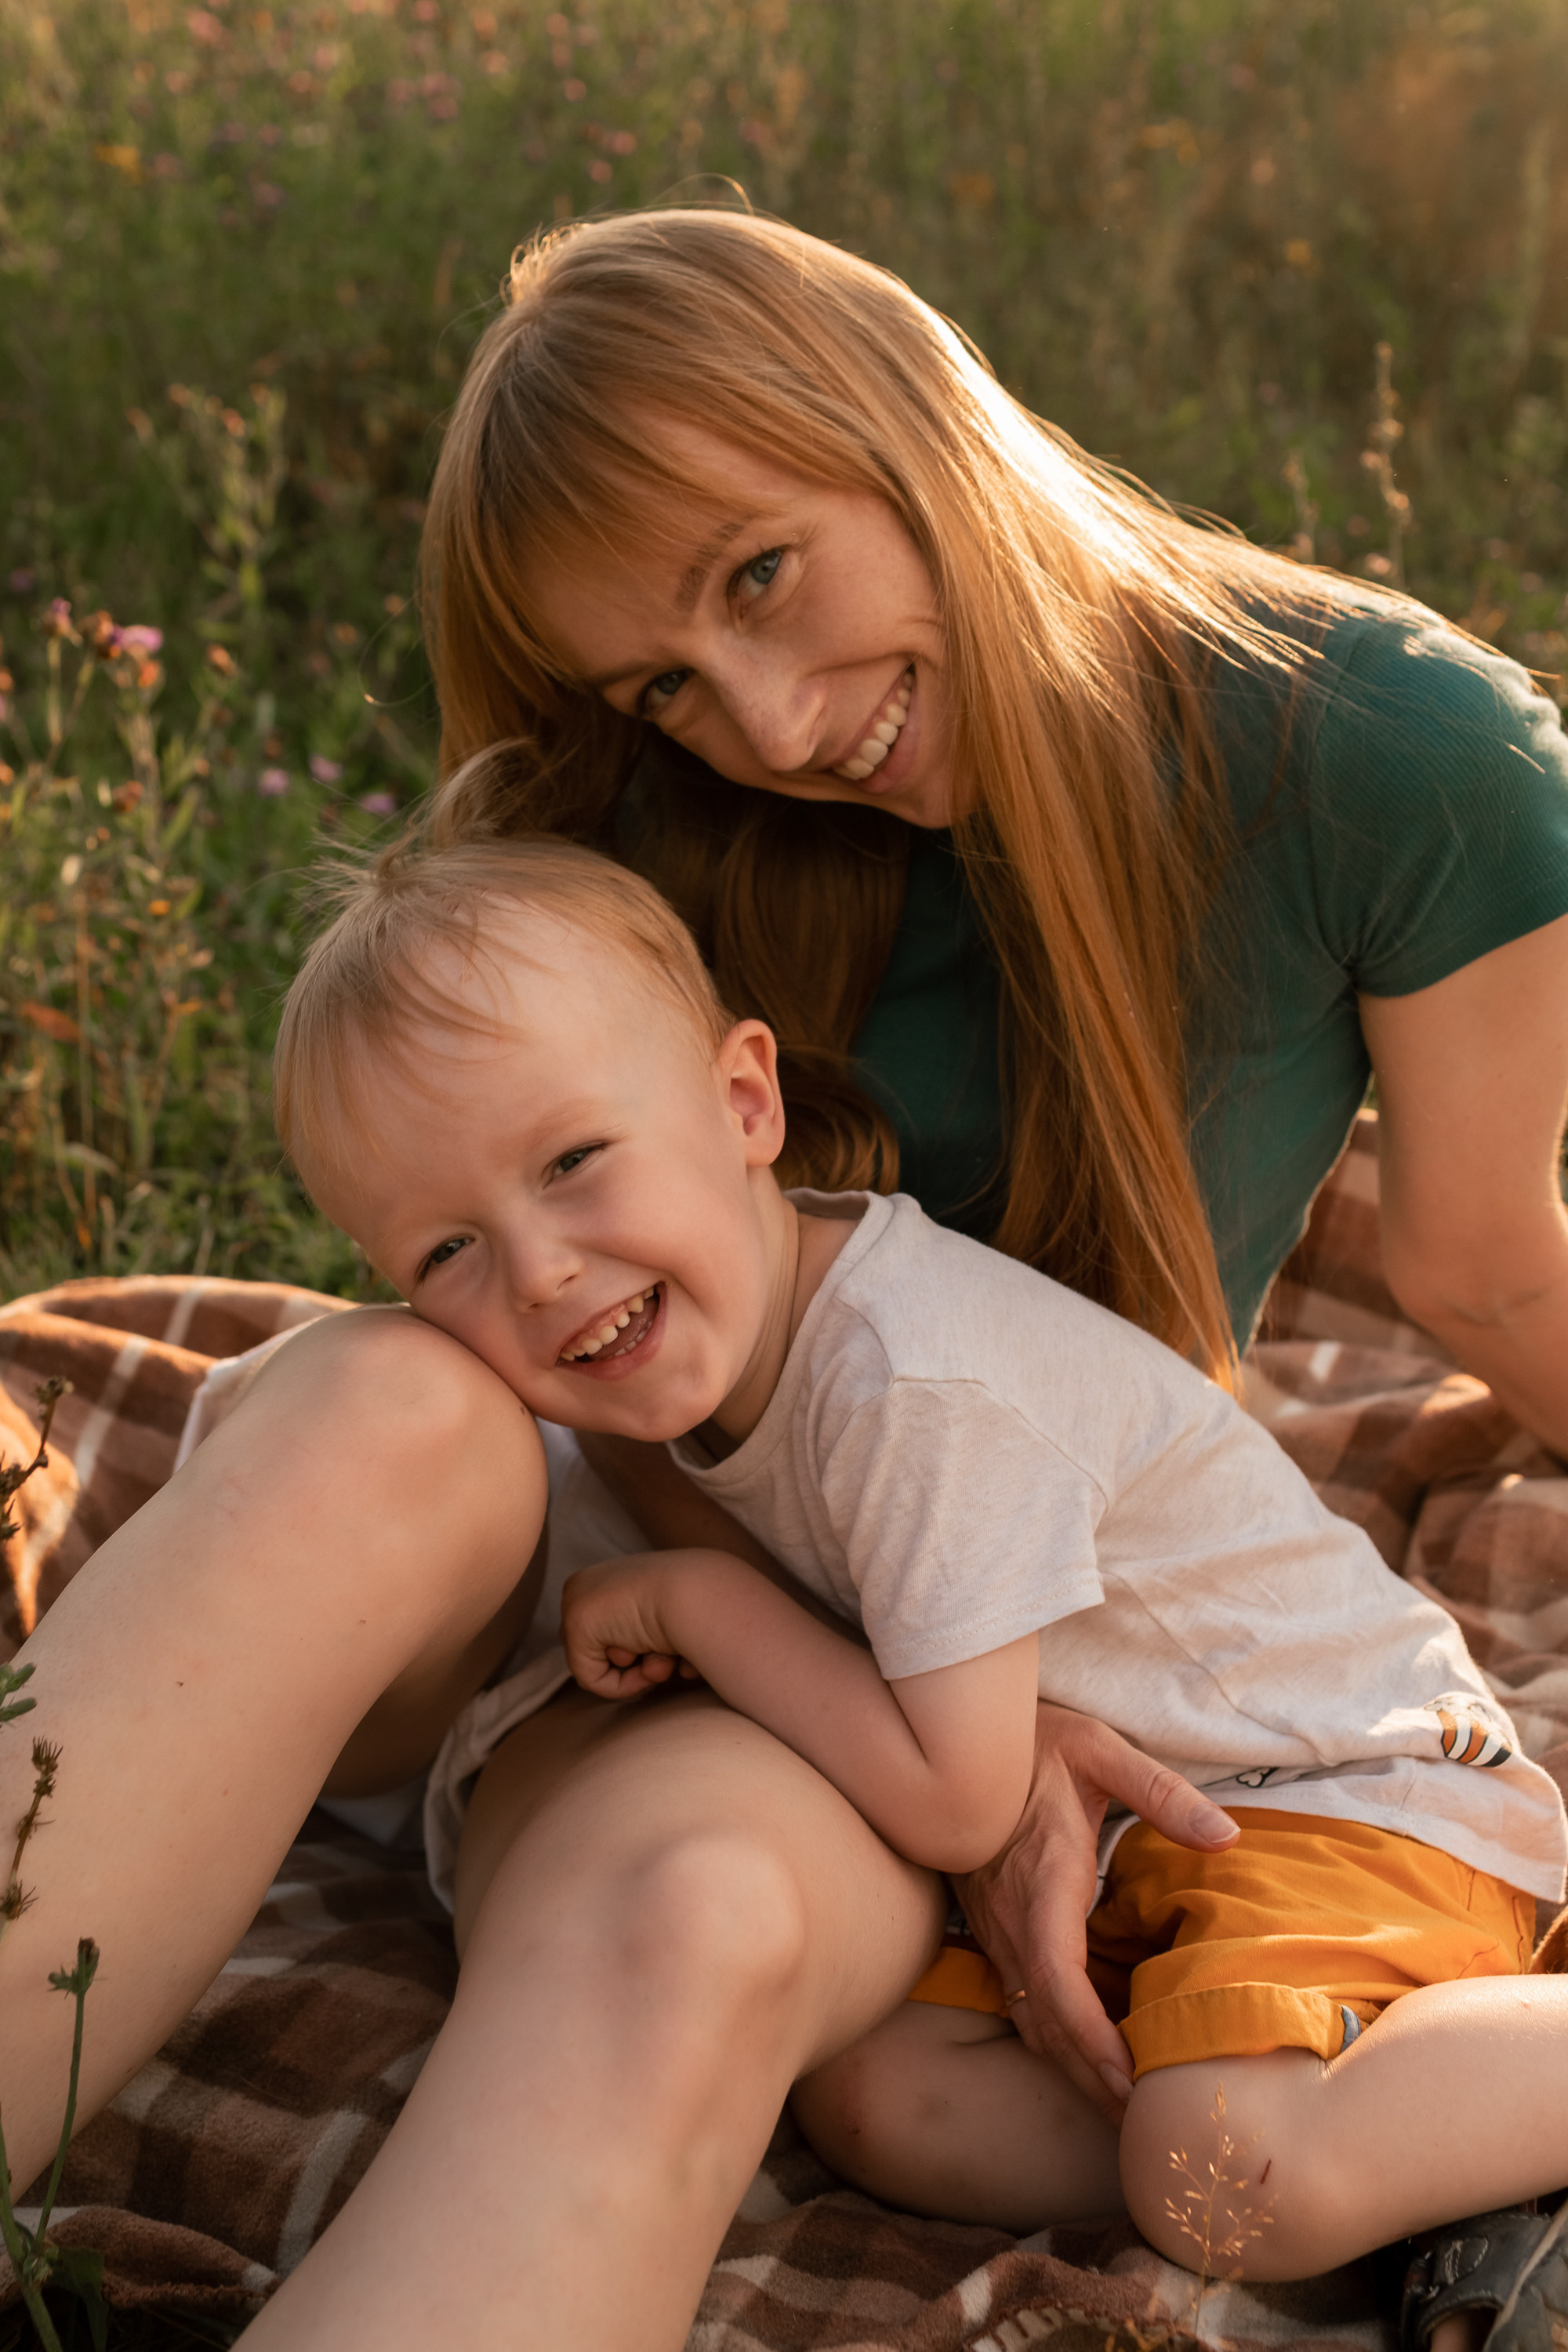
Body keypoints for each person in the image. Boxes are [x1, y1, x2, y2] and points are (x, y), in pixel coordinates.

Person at [0, 201, 1563, 2350]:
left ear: (909, 423)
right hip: (594, 1553)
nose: (759, 717)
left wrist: (1000, 1739)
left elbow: (1487, 1272)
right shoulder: (631, 806)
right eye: (661, 674)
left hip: (887, 1659)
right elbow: (511, 1258)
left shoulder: (1377, 756)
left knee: (703, 1910)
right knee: (373, 1405)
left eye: (762, 576)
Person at [267, 830, 1568, 2313]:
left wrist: (701, 1608)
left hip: (1320, 1784)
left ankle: (1404, 2114)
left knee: (1224, 2174)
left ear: (744, 1101)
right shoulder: (679, 1375)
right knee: (885, 2102)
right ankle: (1439, 2151)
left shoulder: (907, 1384)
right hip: (1138, 1853)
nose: (542, 1270)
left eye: (573, 1162)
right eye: (446, 1252)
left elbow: (958, 1796)